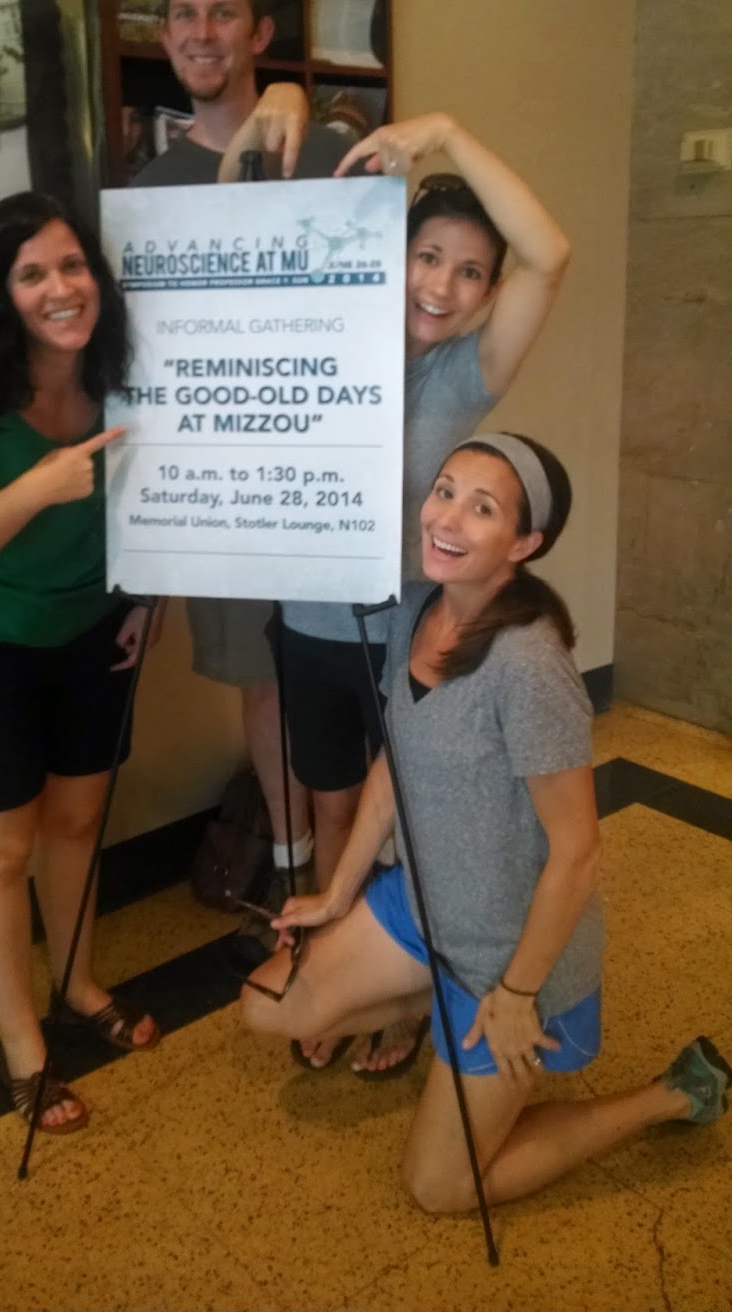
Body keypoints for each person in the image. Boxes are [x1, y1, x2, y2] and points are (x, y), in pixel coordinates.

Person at [241, 433, 731, 1209]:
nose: (446, 518)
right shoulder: (416, 609)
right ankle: (433, 1000)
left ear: (523, 543)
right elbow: (393, 762)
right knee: (268, 1003)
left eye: (482, 508)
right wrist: (336, 895)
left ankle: (671, 1094)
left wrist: (515, 993)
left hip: (510, 951)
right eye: (444, 491)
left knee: (439, 1186)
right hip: (424, 908)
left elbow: (577, 853)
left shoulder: (528, 665)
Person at [277, 113, 572, 1073]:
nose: (441, 286)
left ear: (488, 292)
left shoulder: (465, 374)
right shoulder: (319, 342)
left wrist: (444, 131)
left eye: (470, 272)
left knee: (410, 817)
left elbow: (551, 253)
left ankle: (405, 1000)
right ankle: (340, 973)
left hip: (404, 628)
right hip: (305, 621)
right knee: (333, 809)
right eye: (428, 257)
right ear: (392, 256)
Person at [0, 192, 160, 1135]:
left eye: (72, 265)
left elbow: (156, 502)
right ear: (0, 293)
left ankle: (78, 983)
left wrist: (148, 601)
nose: (60, 288)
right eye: (32, 274)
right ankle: (22, 1043)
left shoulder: (122, 378)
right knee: (1, 852)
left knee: (78, 824)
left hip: (94, 634)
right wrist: (36, 489)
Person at [132, 0, 352, 897]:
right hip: (224, 491)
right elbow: (150, 371)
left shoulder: (335, 160)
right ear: (164, 37)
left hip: (329, 474)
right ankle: (294, 880)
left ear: (259, 34)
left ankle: (354, 882)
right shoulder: (149, 196)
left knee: (344, 678)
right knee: (264, 684)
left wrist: (295, 106)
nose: (202, 32)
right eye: (184, 15)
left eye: (222, 13)